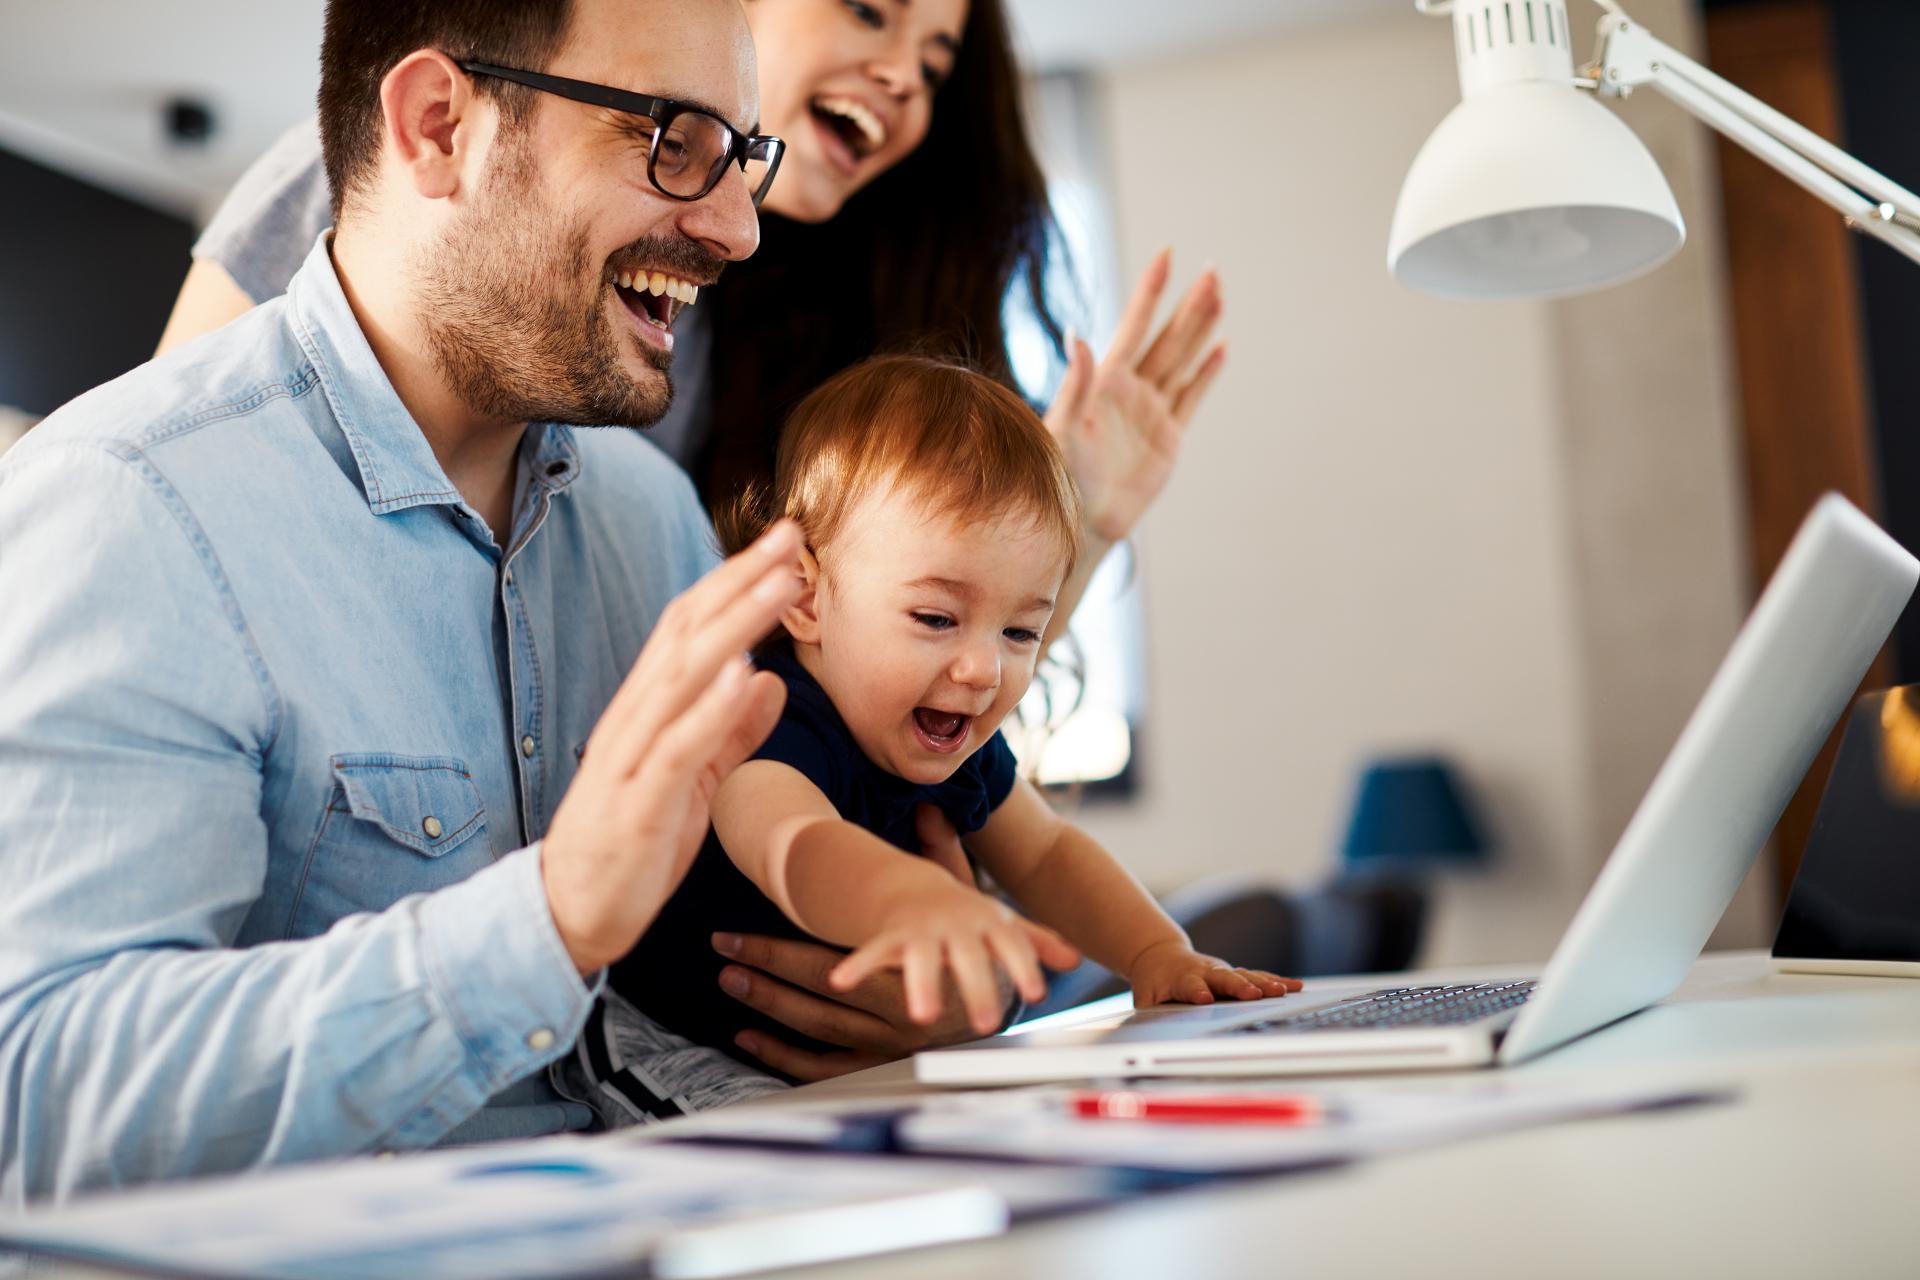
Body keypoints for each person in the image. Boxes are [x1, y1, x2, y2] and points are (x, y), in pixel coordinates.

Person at [155, 0, 1232, 1083]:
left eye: (937, 62)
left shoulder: (684, 399)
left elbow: (914, 632)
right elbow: (206, 478)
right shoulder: (470, 231)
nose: (905, 78)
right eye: (871, 12)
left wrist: (1074, 526)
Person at [0, 0, 816, 1204]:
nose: (740, 229)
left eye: (743, 160)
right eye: (675, 143)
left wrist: (842, 995)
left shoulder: (653, 522)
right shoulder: (130, 503)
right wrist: (541, 921)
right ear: (438, 126)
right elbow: (40, 1097)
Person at [619, 356, 1300, 1080]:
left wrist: (1156, 953)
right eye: (937, 617)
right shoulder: (765, 720)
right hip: (670, 1048)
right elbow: (796, 847)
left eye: (1018, 633)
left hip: (851, 1065)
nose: (983, 672)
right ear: (806, 598)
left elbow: (1044, 855)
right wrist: (912, 901)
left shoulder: (957, 741)